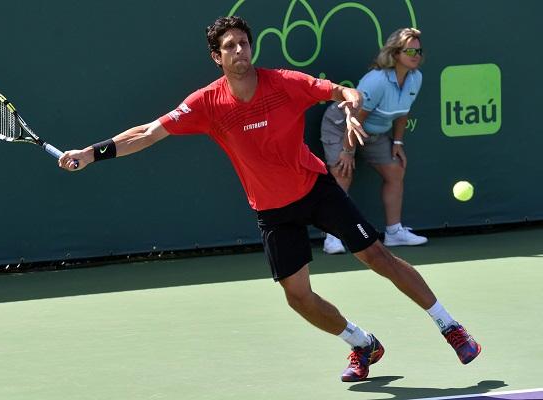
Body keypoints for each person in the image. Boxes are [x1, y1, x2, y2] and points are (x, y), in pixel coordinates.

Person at [58, 16, 480, 382]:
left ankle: (449, 326)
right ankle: (363, 344)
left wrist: (351, 105)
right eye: (230, 47)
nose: (240, 50)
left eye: (244, 43)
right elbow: (148, 132)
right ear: (217, 58)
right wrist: (92, 154)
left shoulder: (285, 84)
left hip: (315, 189)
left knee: (377, 257)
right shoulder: (206, 103)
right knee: (297, 298)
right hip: (272, 210)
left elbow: (342, 92)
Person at [321, 28, 428, 255]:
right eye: (410, 50)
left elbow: (402, 112)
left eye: (418, 50)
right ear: (396, 53)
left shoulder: (415, 78)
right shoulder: (377, 82)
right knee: (343, 173)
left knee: (395, 171)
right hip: (342, 125)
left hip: (374, 132)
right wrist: (347, 152)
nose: (416, 55)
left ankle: (394, 232)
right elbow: (356, 119)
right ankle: (333, 237)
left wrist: (397, 144)